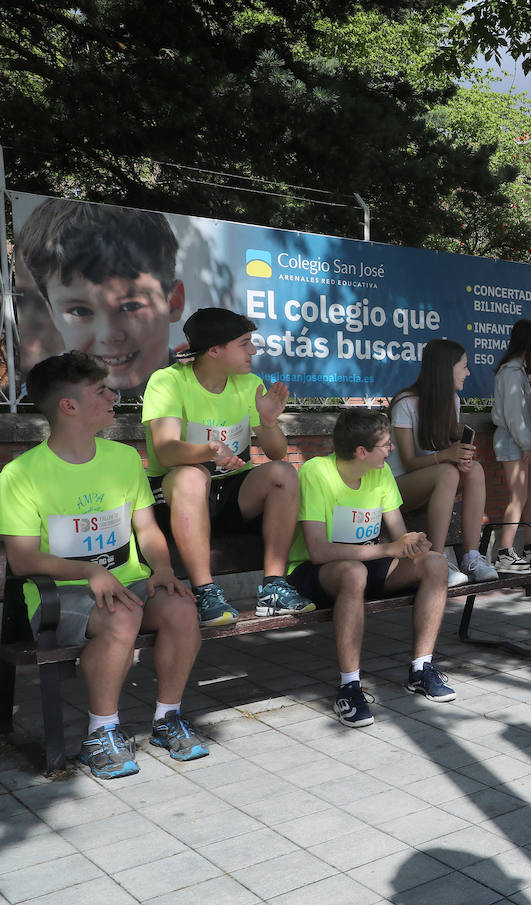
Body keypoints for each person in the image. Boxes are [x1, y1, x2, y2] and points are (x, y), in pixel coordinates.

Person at [0, 352, 207, 778]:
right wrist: (91, 571)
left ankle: (168, 719)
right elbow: (22, 558)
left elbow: (147, 529)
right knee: (122, 614)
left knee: (183, 608)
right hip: (59, 597)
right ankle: (102, 732)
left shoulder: (124, 458)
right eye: (101, 391)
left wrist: (163, 569)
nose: (114, 396)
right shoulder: (20, 474)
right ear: (68, 406)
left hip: (129, 586)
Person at [142, 308, 314, 627]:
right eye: (245, 343)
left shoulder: (249, 384)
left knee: (284, 473)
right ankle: (205, 591)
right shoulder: (167, 381)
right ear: (215, 350)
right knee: (191, 475)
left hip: (232, 491)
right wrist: (207, 451)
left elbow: (277, 453)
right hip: (177, 493)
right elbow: (165, 452)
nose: (253, 350)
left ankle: (274, 587)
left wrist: (268, 421)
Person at [283, 409, 455, 727]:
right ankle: (349, 687)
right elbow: (318, 550)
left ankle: (421, 668)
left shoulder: (380, 471)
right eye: (385, 445)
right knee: (353, 573)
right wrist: (388, 548)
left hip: (367, 566)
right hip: (314, 573)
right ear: (362, 451)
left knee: (435, 564)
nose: (391, 451)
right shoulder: (316, 472)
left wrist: (413, 544)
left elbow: (399, 537)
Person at [15, 199, 187, 394]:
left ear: (173, 303)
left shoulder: (207, 386)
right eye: (80, 311)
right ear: (52, 313)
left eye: (130, 307)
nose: (108, 334)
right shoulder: (35, 400)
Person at [387, 339, 498, 586]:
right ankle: (436, 561)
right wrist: (447, 456)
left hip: (435, 481)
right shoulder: (406, 403)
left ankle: (471, 556)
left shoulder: (453, 401)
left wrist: (461, 458)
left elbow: (447, 450)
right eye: (464, 366)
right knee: (448, 473)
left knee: (476, 470)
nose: (468, 372)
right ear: (446, 368)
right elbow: (409, 463)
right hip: (399, 487)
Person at [490, 320, 531, 571]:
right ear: (529, 341)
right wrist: (526, 444)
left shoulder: (522, 370)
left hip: (526, 440)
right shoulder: (511, 372)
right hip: (515, 441)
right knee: (518, 496)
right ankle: (504, 553)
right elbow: (513, 416)